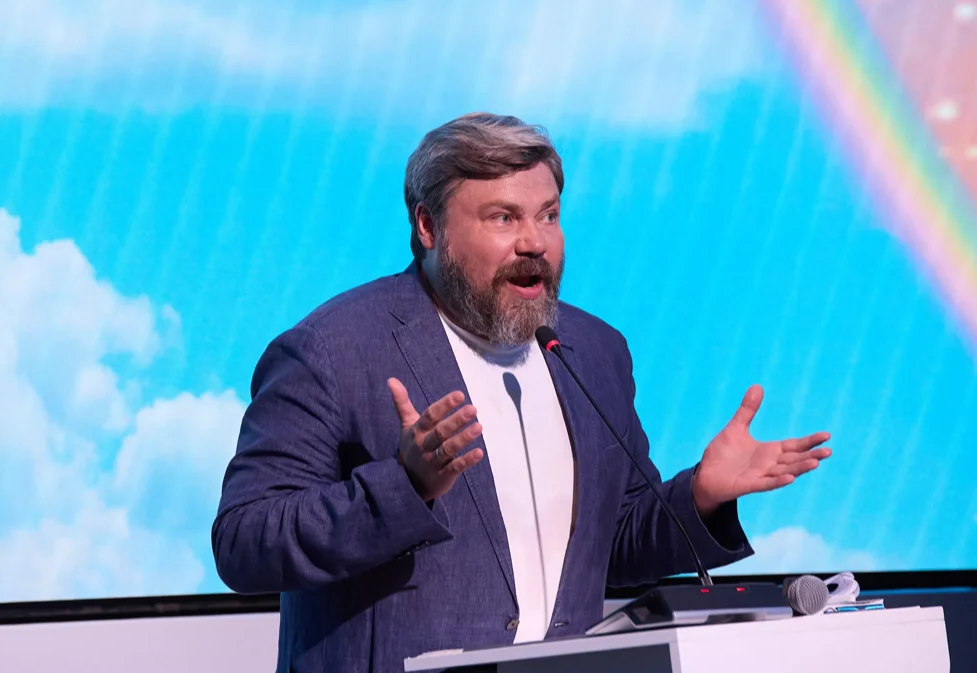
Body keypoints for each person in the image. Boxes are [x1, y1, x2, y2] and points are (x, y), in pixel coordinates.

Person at [211, 112, 832, 673]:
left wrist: (700, 496)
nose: (534, 241)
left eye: (549, 216)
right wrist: (405, 485)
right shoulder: (332, 349)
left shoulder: (594, 351)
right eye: (503, 218)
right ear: (428, 226)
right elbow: (244, 542)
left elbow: (612, 544)